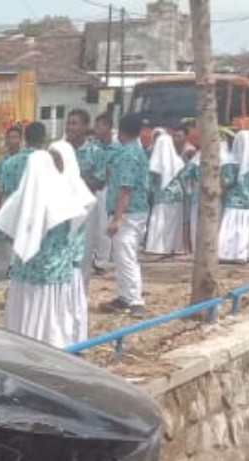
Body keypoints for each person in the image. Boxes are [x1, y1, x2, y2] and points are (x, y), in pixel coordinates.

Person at [0, 143, 94, 348]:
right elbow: (73, 230)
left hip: (27, 272)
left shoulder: (22, 198)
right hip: (52, 274)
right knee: (51, 318)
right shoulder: (62, 197)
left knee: (26, 314)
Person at [106, 114, 151, 317]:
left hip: (130, 212)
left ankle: (135, 300)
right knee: (121, 255)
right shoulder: (134, 150)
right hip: (133, 211)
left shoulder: (129, 155)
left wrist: (117, 218)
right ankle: (124, 295)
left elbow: (125, 188)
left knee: (126, 256)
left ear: (120, 131)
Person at [79, 111, 116, 274]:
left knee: (104, 225)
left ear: (108, 127)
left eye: (99, 126)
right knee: (91, 226)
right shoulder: (94, 148)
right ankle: (93, 257)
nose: (97, 129)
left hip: (108, 188)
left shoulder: (117, 148)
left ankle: (102, 260)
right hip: (93, 189)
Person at [220, 130, 249, 264]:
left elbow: (228, 181)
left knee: (230, 227)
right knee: (245, 228)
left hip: (232, 201)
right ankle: (242, 254)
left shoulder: (230, 160)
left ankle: (226, 254)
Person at [145, 129, 187, 257]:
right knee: (172, 222)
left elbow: (148, 183)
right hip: (176, 196)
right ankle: (171, 247)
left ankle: (158, 247)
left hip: (160, 197)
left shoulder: (153, 163)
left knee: (159, 221)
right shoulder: (178, 161)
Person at [0, 124, 28, 212]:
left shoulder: (25, 158)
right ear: (7, 140)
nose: (12, 140)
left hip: (22, 198)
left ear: (20, 139)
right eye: (10, 137)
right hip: (7, 197)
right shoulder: (3, 159)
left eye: (15, 137)